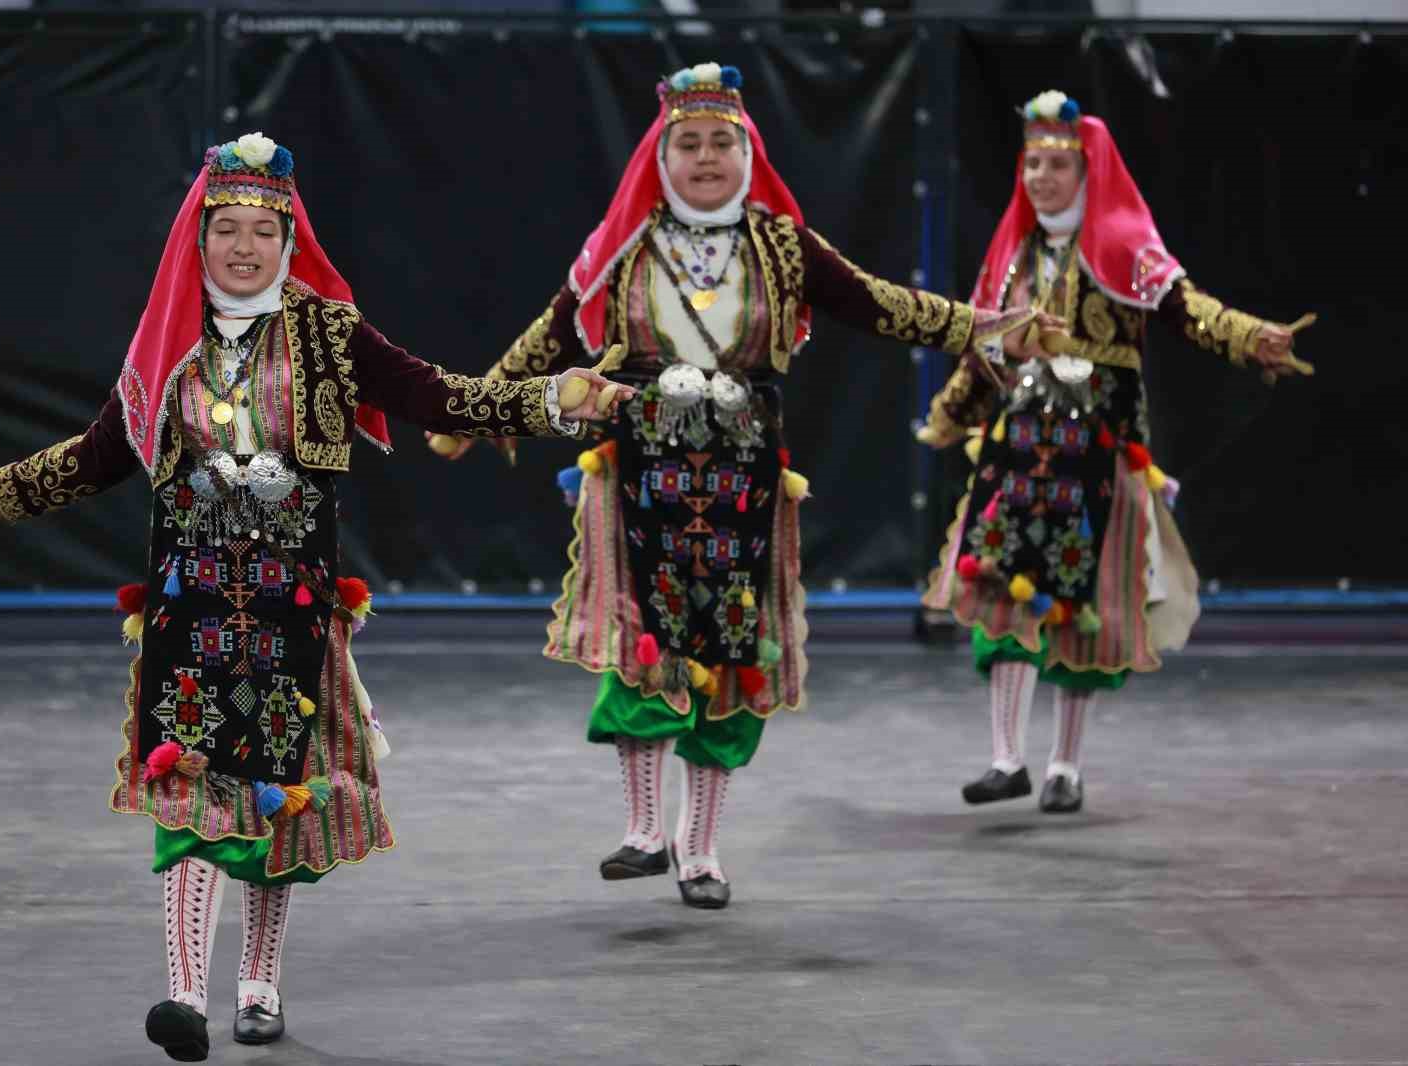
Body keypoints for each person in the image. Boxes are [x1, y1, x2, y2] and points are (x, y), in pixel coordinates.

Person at [0, 133, 628, 1061]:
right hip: (190, 608)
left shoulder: (330, 334)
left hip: (291, 611)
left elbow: (439, 397)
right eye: (225, 229)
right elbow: (108, 447)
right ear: (198, 238)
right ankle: (183, 996)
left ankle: (259, 982)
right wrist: (7, 491)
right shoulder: (168, 335)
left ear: (287, 239)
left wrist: (552, 400)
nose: (243, 247)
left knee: (279, 788)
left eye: (261, 231)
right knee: (189, 787)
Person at [434, 63, 1047, 909]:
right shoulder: (623, 247)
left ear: (748, 153)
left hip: (745, 482)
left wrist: (979, 326)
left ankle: (701, 849)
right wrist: (475, 411)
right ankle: (644, 831)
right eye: (688, 143)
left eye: (722, 142)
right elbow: (551, 336)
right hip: (639, 471)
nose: (705, 157)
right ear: (662, 158)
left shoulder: (782, 246)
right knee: (642, 639)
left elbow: (877, 303)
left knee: (731, 651)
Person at [917, 91, 1314, 814]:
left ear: (1088, 172)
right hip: (1018, 452)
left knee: (1086, 607)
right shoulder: (1011, 255)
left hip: (1098, 454)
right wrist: (951, 413)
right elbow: (986, 344)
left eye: (1057, 165)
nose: (1040, 178)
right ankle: (1007, 758)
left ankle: (1065, 766)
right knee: (1000, 590)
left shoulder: (1127, 248)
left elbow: (1187, 309)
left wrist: (1247, 335)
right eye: (1031, 164)